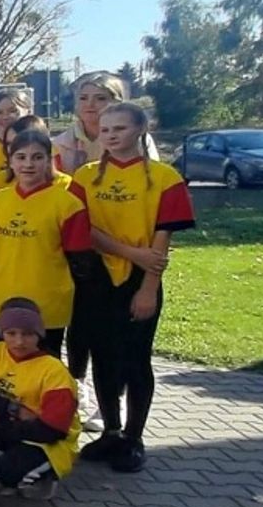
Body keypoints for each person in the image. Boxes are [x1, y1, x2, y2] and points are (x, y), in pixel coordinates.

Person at [70, 102, 194, 473]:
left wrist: (148, 288)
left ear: (140, 129)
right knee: (102, 356)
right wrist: (129, 252)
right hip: (98, 277)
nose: (111, 135)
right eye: (105, 129)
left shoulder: (165, 178)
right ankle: (110, 430)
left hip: (141, 278)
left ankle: (134, 437)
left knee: (136, 358)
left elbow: (162, 240)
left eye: (120, 128)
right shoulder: (85, 177)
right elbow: (84, 229)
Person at [0, 130, 103, 356]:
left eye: (37, 157)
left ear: (49, 160)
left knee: (45, 363)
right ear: (10, 161)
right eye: (21, 157)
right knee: (2, 363)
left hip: (48, 301)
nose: (28, 164)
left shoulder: (68, 204)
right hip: (4, 296)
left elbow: (79, 261)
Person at [0, 297, 80, 500]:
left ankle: (42, 476)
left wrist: (3, 424)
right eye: (11, 333)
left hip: (47, 442)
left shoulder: (55, 371)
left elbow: (53, 431)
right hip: (13, 424)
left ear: (39, 334)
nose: (19, 341)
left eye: (27, 334)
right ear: (2, 333)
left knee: (13, 469)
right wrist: (12, 409)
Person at [53, 71, 159, 175]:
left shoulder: (137, 138)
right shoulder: (60, 144)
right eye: (83, 98)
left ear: (117, 103)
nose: (89, 104)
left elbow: (153, 175)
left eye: (100, 98)